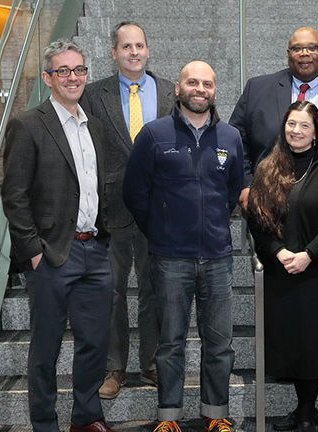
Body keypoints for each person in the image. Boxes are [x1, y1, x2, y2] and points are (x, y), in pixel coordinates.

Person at [1, 39, 116, 432]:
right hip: (50, 256)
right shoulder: (28, 124)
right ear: (48, 78)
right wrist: (32, 251)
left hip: (94, 251)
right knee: (45, 349)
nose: (73, 77)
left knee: (94, 344)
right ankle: (45, 424)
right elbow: (13, 195)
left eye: (79, 69)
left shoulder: (95, 126)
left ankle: (85, 418)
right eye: (63, 71)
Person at [123, 61, 244, 432]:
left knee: (219, 344)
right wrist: (161, 229)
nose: (200, 89)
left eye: (207, 83)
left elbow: (233, 194)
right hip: (170, 258)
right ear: (178, 88)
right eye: (193, 82)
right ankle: (168, 418)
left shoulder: (230, 137)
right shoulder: (153, 134)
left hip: (218, 258)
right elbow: (134, 193)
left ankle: (215, 415)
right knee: (171, 342)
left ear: (214, 91)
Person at [80, 21, 176, 399]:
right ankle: (113, 367)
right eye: (126, 46)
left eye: (139, 45)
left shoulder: (170, 92)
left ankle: (151, 362)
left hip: (161, 209)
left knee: (155, 287)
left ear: (148, 50)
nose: (133, 52)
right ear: (114, 52)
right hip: (112, 207)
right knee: (112, 292)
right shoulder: (92, 94)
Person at [248, 101, 318, 432]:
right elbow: (257, 219)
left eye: (305, 126)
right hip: (282, 271)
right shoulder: (268, 168)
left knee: (313, 345)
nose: (296, 131)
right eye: (292, 124)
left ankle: (307, 411)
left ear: (316, 132)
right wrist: (278, 252)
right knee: (289, 342)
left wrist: (308, 254)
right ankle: (301, 408)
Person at [229, 26, 318, 209]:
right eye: (297, 48)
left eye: (312, 48)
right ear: (288, 54)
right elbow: (234, 140)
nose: (304, 53)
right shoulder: (257, 90)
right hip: (268, 207)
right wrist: (246, 184)